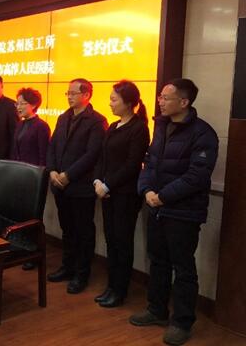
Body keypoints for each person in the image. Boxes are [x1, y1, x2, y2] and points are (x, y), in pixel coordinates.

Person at [130, 79, 218, 346]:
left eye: (166, 97)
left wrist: (163, 196)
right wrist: (146, 190)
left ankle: (182, 322)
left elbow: (197, 176)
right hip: (157, 207)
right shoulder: (161, 126)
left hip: (183, 212)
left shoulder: (203, 134)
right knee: (158, 261)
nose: (160, 101)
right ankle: (157, 310)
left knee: (183, 268)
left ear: (184, 102)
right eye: (160, 96)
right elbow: (149, 163)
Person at [46, 78, 107, 294]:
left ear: (86, 95)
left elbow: (92, 154)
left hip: (80, 187)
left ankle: (82, 274)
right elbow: (53, 146)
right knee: (67, 229)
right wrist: (52, 171)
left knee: (83, 232)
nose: (69, 96)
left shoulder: (97, 121)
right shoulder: (63, 117)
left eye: (73, 93)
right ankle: (67, 266)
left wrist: (68, 175)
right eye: (68, 93)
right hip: (60, 186)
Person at [93, 80, 150, 308]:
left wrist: (108, 185)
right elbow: (102, 157)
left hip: (125, 195)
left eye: (114, 99)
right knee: (111, 240)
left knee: (122, 242)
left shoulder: (139, 128)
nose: (110, 103)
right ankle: (111, 286)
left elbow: (132, 164)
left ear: (128, 103)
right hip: (106, 193)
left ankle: (120, 290)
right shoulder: (113, 126)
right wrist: (98, 180)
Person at [11, 87, 51, 166]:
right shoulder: (20, 124)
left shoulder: (42, 126)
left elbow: (43, 155)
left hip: (32, 170)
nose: (18, 107)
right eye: (17, 104)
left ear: (33, 105)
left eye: (22, 103)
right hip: (18, 169)